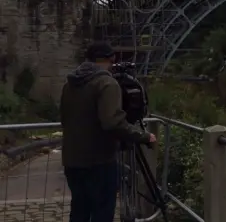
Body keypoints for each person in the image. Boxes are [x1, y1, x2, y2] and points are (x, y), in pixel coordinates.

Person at [60, 41, 156, 222]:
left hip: (72, 161)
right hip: (99, 161)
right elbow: (113, 122)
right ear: (105, 60)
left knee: (79, 209)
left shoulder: (70, 84)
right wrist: (143, 136)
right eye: (112, 61)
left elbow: (65, 119)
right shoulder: (106, 83)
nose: (113, 66)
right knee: (102, 212)